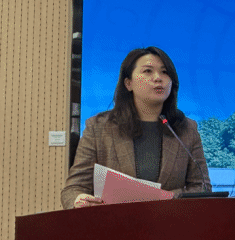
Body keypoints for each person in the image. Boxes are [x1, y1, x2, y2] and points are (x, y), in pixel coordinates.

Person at [61, 46, 209, 209]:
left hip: (169, 221)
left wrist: (167, 198)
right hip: (116, 221)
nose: (158, 78)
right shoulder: (99, 127)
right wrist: (78, 200)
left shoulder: (187, 129)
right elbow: (73, 188)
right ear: (128, 83)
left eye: (165, 72)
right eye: (148, 71)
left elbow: (203, 187)